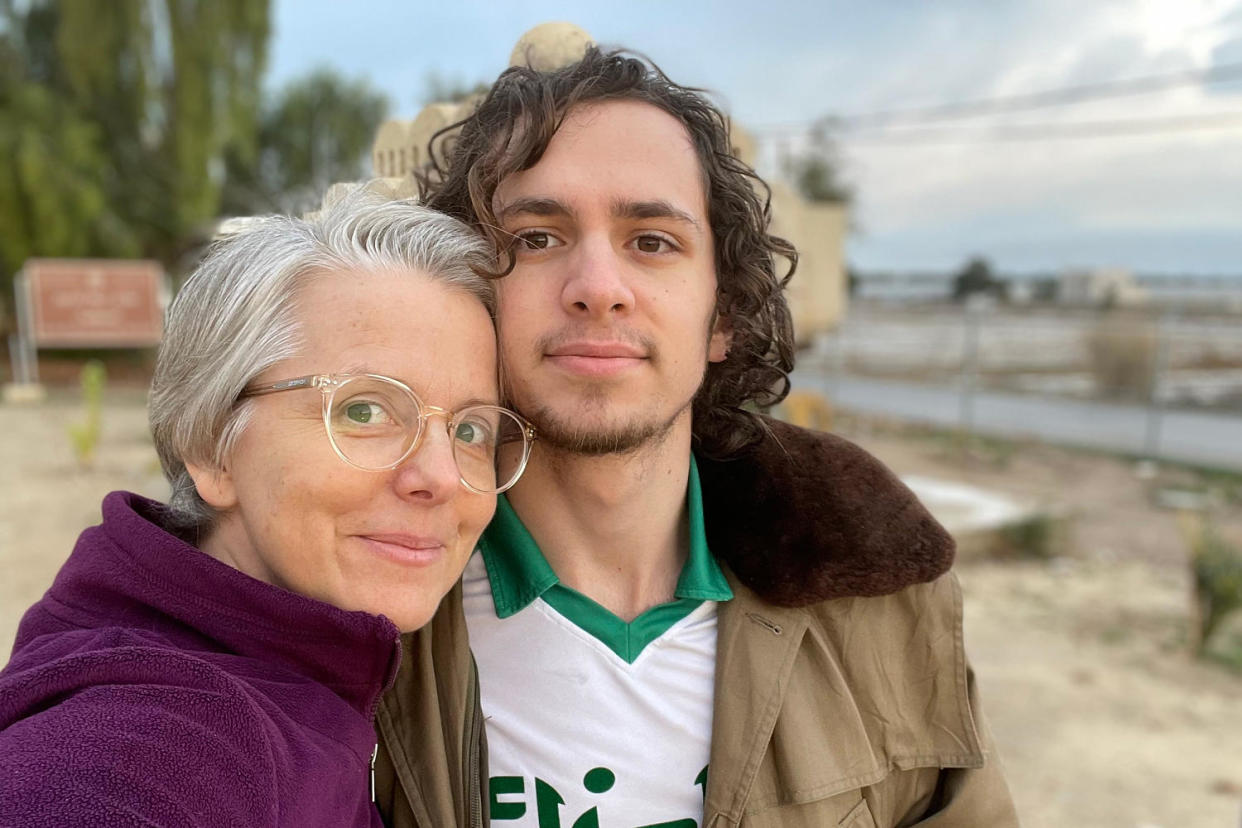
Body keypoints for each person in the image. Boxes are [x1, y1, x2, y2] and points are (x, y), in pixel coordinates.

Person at [372, 47, 1019, 828]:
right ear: (469, 295)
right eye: (537, 238)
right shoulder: (362, 609)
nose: (598, 290)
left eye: (651, 241)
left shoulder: (878, 595)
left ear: (722, 315)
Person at [0, 191, 534, 827]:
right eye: (364, 410)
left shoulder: (318, 679)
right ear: (209, 446)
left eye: (471, 431)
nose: (442, 478)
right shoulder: (156, 745)